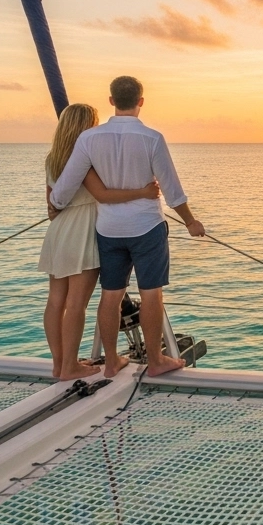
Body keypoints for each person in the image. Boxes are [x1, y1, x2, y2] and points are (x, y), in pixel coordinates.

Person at [50, 76, 205, 378]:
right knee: (151, 293)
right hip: (146, 227)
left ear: (111, 101)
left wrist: (55, 204)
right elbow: (173, 191)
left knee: (110, 294)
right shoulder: (152, 138)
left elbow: (64, 188)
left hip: (108, 229)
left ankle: (110, 362)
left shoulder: (89, 139)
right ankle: (157, 361)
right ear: (141, 102)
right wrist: (190, 221)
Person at [39, 103, 160, 381]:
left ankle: (59, 364)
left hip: (59, 230)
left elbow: (51, 200)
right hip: (82, 231)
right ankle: (69, 365)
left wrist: (54, 210)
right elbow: (103, 195)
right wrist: (143, 191)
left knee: (56, 301)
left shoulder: (52, 158)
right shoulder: (84, 157)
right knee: (77, 303)